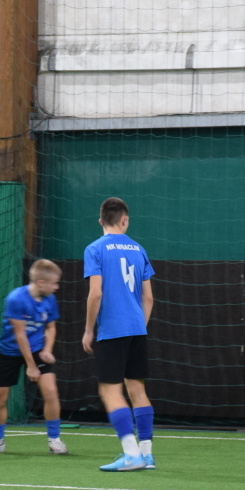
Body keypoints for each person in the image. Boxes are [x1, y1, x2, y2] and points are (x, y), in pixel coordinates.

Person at [82, 197, 157, 472]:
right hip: (137, 328)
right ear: (125, 220)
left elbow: (96, 294)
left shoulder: (94, 249)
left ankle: (131, 454)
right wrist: (139, 325)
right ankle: (146, 455)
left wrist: (88, 330)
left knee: (110, 390)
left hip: (112, 330)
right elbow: (148, 298)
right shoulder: (139, 249)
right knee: (137, 389)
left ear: (101, 221)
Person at [0, 259, 69, 455]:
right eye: (54, 283)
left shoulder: (50, 299)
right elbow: (20, 334)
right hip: (11, 350)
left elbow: (51, 327)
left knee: (50, 391)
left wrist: (47, 350)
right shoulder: (16, 298)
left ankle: (55, 440)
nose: (57, 287)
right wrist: (31, 366)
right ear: (41, 283)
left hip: (37, 348)